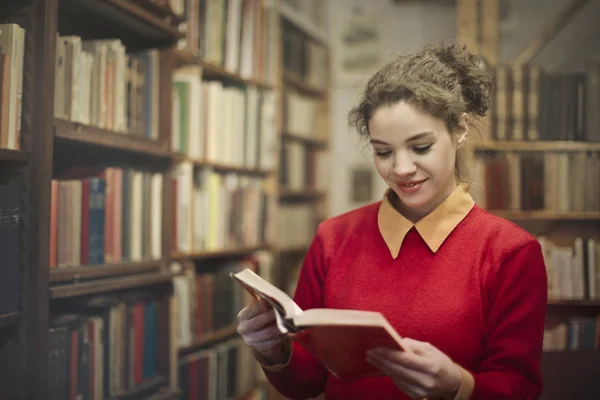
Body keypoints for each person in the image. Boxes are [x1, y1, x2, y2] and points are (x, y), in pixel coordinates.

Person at [236, 41, 548, 400]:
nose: (401, 169)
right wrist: (274, 349)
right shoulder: (333, 238)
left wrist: (458, 386)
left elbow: (520, 387)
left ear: (460, 130)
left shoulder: (510, 252)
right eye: (383, 152)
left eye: (420, 147)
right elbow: (307, 383)